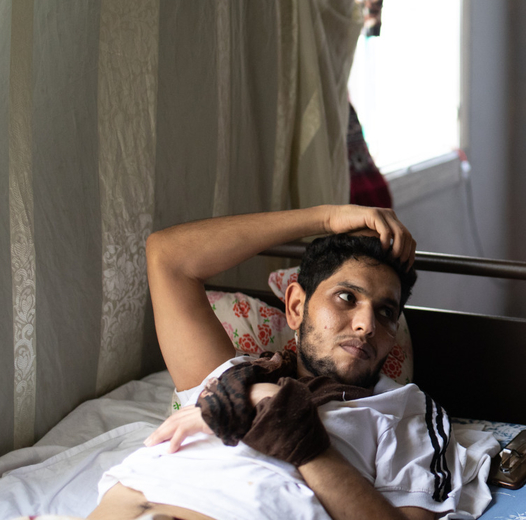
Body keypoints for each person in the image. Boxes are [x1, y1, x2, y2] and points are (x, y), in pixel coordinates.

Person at [86, 205, 493, 520]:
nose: (367, 325)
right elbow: (167, 256)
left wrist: (286, 420)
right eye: (347, 297)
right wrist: (326, 217)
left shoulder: (404, 412)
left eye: (386, 312)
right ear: (296, 306)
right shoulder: (231, 378)